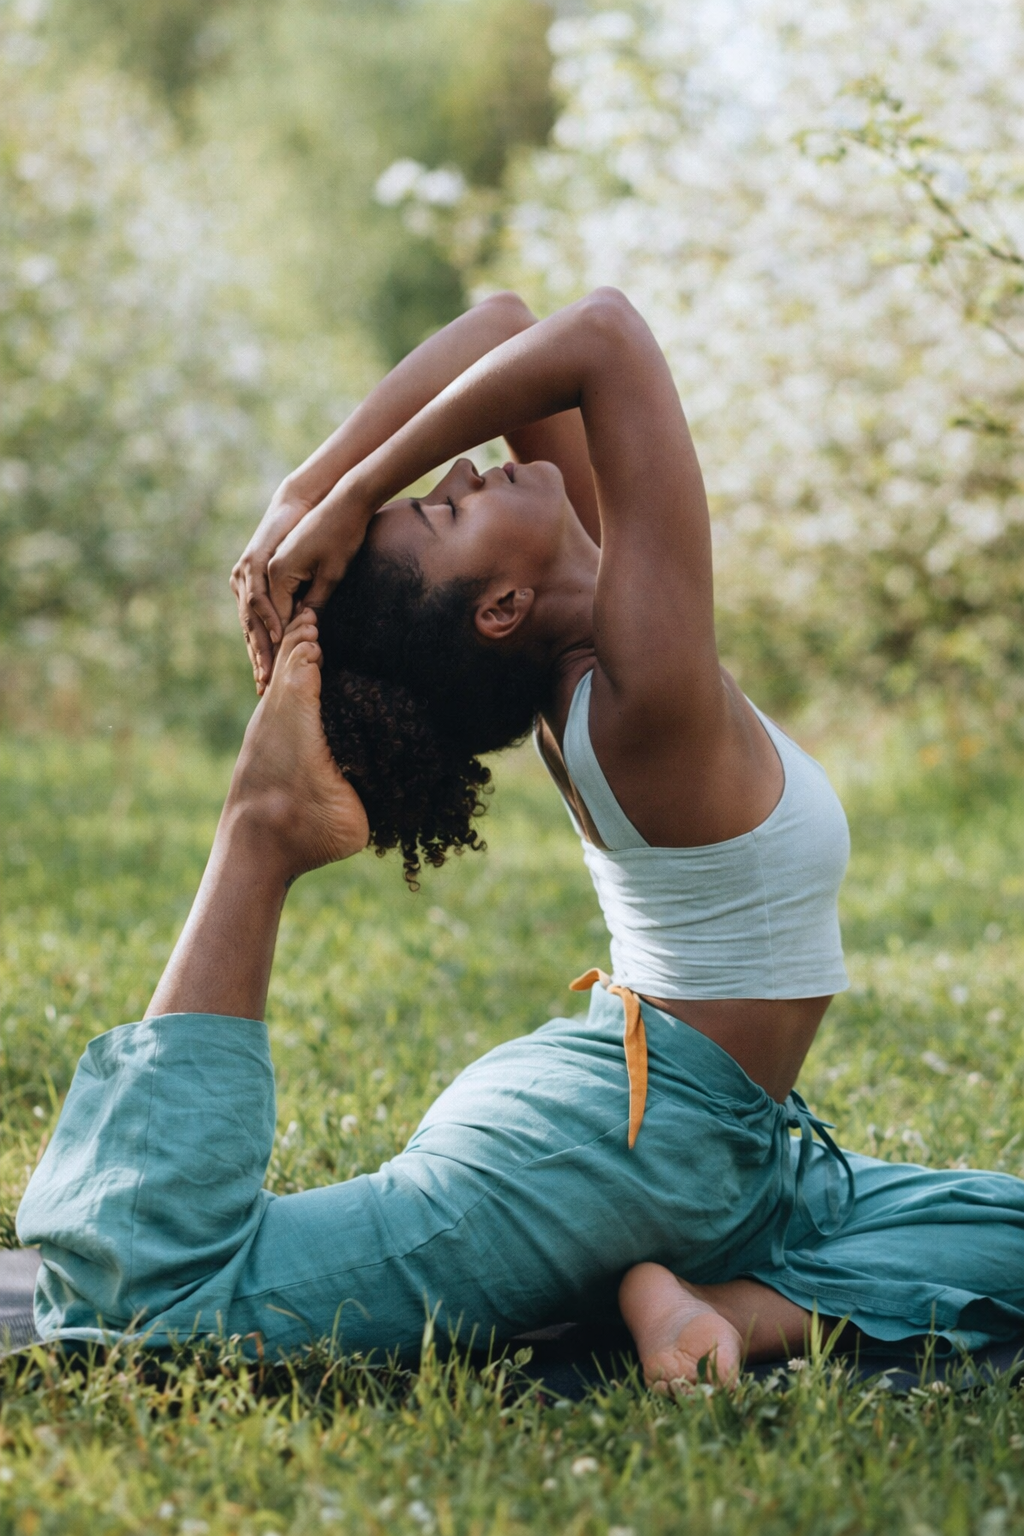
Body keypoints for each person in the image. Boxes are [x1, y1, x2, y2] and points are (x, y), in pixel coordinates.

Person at [18, 291, 1024, 1391]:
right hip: (620, 1146)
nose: (460, 474)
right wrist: (352, 492)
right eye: (445, 517)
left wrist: (311, 492)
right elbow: (602, 337)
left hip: (686, 1122)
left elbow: (504, 327)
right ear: (500, 608)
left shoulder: (597, 633)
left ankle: (716, 1303)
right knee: (155, 1305)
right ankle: (262, 832)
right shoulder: (641, 700)